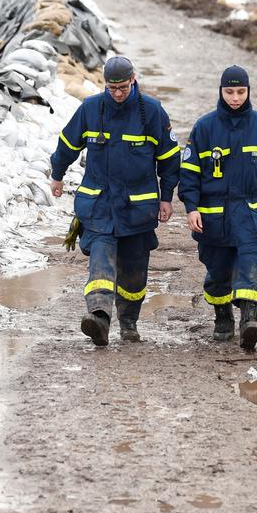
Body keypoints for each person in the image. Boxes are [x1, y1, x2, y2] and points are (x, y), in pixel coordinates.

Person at [49, 55, 180, 346]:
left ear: (133, 79)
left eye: (122, 87)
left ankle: (129, 321)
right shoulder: (91, 109)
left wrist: (167, 197)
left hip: (138, 209)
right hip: (99, 206)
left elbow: (170, 159)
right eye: (112, 88)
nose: (118, 93)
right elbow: (68, 143)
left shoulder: (152, 112)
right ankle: (99, 318)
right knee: (101, 261)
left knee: (134, 274)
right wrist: (57, 174)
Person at [178, 65, 257, 351]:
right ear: (220, 91)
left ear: (248, 91)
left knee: (250, 261)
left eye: (240, 92)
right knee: (218, 270)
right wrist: (192, 208)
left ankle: (250, 321)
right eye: (229, 92)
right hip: (213, 214)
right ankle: (223, 317)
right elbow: (189, 173)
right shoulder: (205, 128)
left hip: (251, 211)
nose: (235, 98)